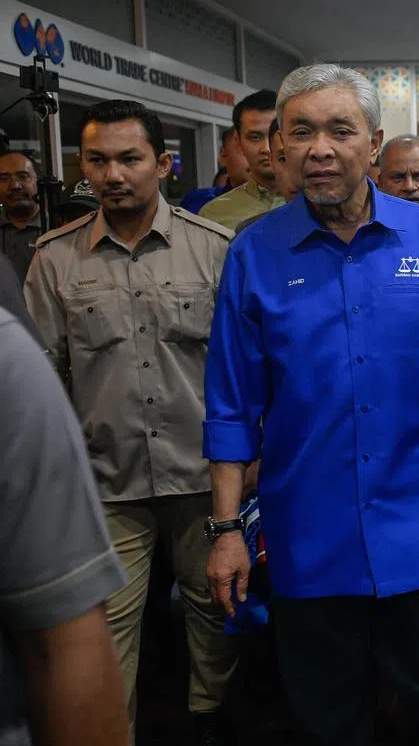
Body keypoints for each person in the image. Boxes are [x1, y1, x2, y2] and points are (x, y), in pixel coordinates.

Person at [203, 64, 419, 746]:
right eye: (300, 132)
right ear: (277, 146)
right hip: (309, 533)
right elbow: (232, 401)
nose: (319, 149)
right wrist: (225, 531)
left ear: (374, 142)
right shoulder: (252, 254)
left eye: (340, 130)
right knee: (328, 717)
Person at [22, 99, 238, 746]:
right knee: (103, 631)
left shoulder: (214, 252)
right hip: (104, 482)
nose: (112, 174)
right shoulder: (54, 260)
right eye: (97, 161)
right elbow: (42, 378)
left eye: (129, 158)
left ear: (163, 165)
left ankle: (211, 725)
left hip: (204, 475)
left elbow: (242, 373)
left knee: (214, 618)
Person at [0, 307, 131, 746]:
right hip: (109, 482)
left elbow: (62, 643)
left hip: (186, 477)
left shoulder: (6, 360)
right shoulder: (56, 262)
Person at [200, 91, 285, 229]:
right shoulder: (213, 215)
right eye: (255, 137)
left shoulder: (318, 203)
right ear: (237, 142)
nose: (267, 148)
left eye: (274, 135)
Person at [233, 119, 302, 235]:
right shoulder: (251, 237)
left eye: (304, 157)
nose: (293, 172)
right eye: (283, 159)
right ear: (272, 162)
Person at [181, 127, 250, 214]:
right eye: (244, 150)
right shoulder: (198, 201)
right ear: (223, 154)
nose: (254, 157)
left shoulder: (271, 207)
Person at [0, 151, 41, 282]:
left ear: (37, 182)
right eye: (4, 179)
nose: (15, 186)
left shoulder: (58, 227)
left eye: (23, 177)